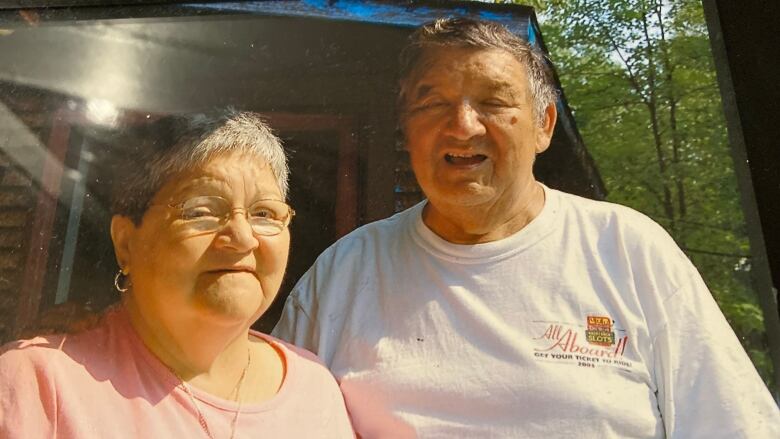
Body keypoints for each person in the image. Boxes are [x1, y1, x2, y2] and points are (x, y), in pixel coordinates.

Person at [273, 18, 780, 438]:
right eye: (432, 104)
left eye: (493, 101)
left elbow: (734, 425)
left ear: (544, 125)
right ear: (407, 130)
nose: (463, 124)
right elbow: (264, 415)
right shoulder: (346, 269)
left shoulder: (626, 249)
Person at [0, 111, 354, 438]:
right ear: (126, 243)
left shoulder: (315, 391)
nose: (243, 238)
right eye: (201, 210)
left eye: (264, 213)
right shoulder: (40, 383)